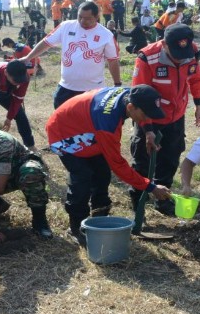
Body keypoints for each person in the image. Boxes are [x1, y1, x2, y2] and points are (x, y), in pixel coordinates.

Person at [46, 85, 172, 245]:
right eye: (145, 115)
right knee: (82, 177)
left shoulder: (131, 94)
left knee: (102, 173)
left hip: (88, 128)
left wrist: (148, 130)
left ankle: (99, 217)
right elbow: (119, 166)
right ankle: (76, 227)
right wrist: (150, 187)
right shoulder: (108, 124)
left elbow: (143, 110)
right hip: (64, 135)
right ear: (131, 108)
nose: (147, 117)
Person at [130, 23, 200, 215]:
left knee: (170, 158)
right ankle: (138, 201)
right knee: (143, 160)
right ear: (164, 44)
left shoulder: (191, 51)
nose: (181, 59)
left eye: (185, 54)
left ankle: (162, 200)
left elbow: (195, 79)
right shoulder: (146, 58)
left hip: (176, 116)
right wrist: (147, 130)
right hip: (149, 115)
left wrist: (198, 105)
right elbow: (138, 98)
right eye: (176, 55)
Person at [21, 1, 121, 109]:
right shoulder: (66, 26)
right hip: (66, 88)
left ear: (97, 17)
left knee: (88, 123)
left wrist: (117, 84)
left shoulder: (106, 35)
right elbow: (46, 43)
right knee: (61, 120)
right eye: (80, 17)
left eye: (87, 18)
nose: (82, 21)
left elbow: (113, 60)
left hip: (93, 90)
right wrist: (28, 58)